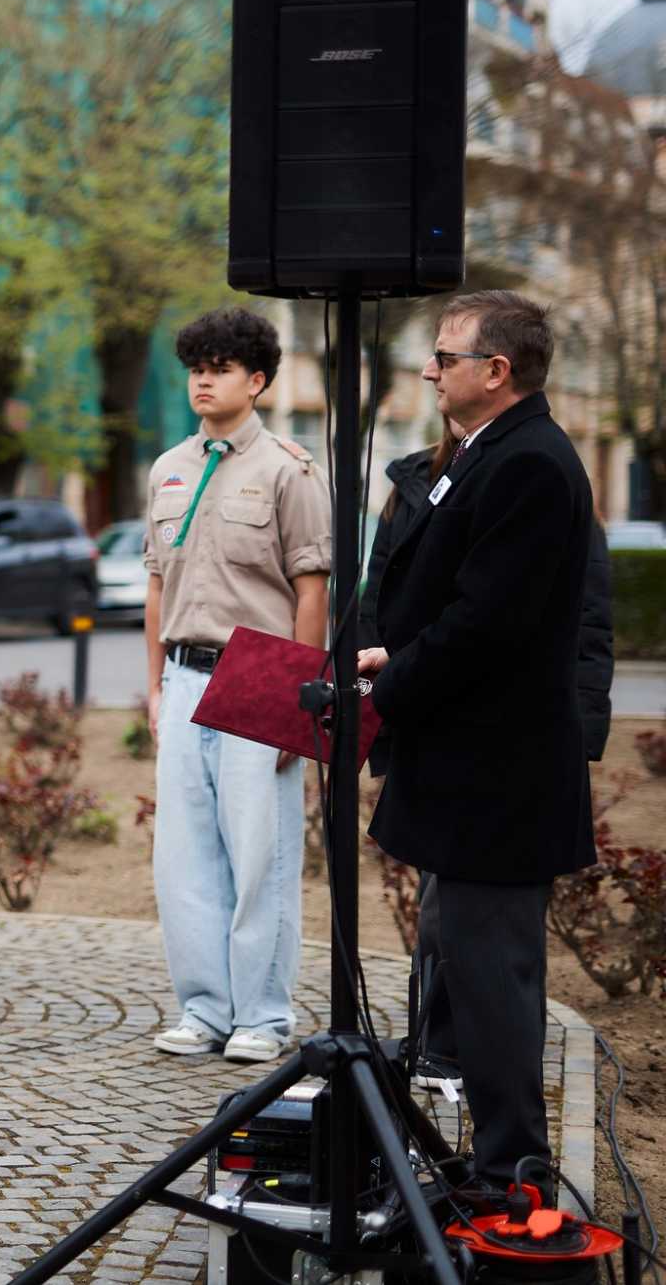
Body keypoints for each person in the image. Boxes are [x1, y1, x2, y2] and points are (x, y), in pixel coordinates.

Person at [358, 291, 597, 1195]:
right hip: (464, 770)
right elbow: (450, 598)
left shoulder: (529, 462)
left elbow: (484, 624)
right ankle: (492, 1164)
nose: (430, 368)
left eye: (446, 355)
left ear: (495, 371)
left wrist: (397, 679)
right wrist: (396, 651)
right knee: (462, 967)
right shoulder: (491, 453)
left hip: (496, 781)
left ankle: (513, 1177)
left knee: (494, 983)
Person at [144, 307, 332, 1064]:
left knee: (262, 853)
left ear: (256, 381)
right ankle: (203, 1008)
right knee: (183, 855)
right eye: (196, 367)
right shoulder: (166, 469)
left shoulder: (290, 470)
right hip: (185, 678)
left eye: (219, 368)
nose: (203, 380)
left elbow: (312, 591)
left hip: (260, 676)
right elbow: (156, 586)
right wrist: (153, 687)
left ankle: (262, 1013)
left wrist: (301, 700)